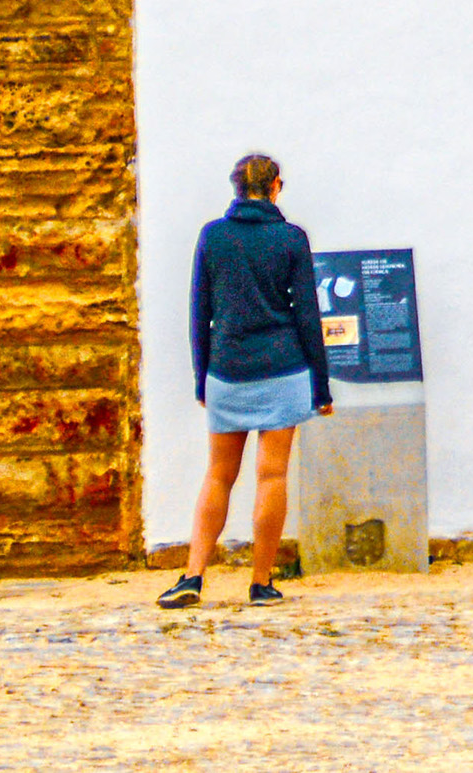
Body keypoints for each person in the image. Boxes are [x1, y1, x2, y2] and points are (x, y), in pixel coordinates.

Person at [161, 153, 332, 608]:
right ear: (276, 186)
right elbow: (308, 316)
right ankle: (261, 582)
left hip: (228, 369)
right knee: (271, 475)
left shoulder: (213, 237)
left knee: (218, 475)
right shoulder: (291, 239)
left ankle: (192, 576)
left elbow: (200, 312)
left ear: (236, 187)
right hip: (284, 368)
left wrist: (203, 380)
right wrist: (322, 385)